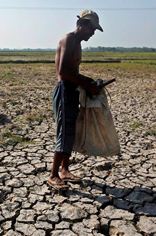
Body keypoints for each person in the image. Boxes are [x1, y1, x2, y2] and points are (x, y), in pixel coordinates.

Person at [48, 10, 103, 190]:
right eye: (92, 29)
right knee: (64, 133)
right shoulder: (68, 40)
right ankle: (53, 175)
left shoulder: (78, 44)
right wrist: (86, 85)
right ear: (83, 24)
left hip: (72, 91)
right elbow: (63, 73)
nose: (93, 33)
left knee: (71, 131)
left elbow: (74, 73)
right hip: (64, 91)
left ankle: (65, 171)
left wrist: (88, 81)